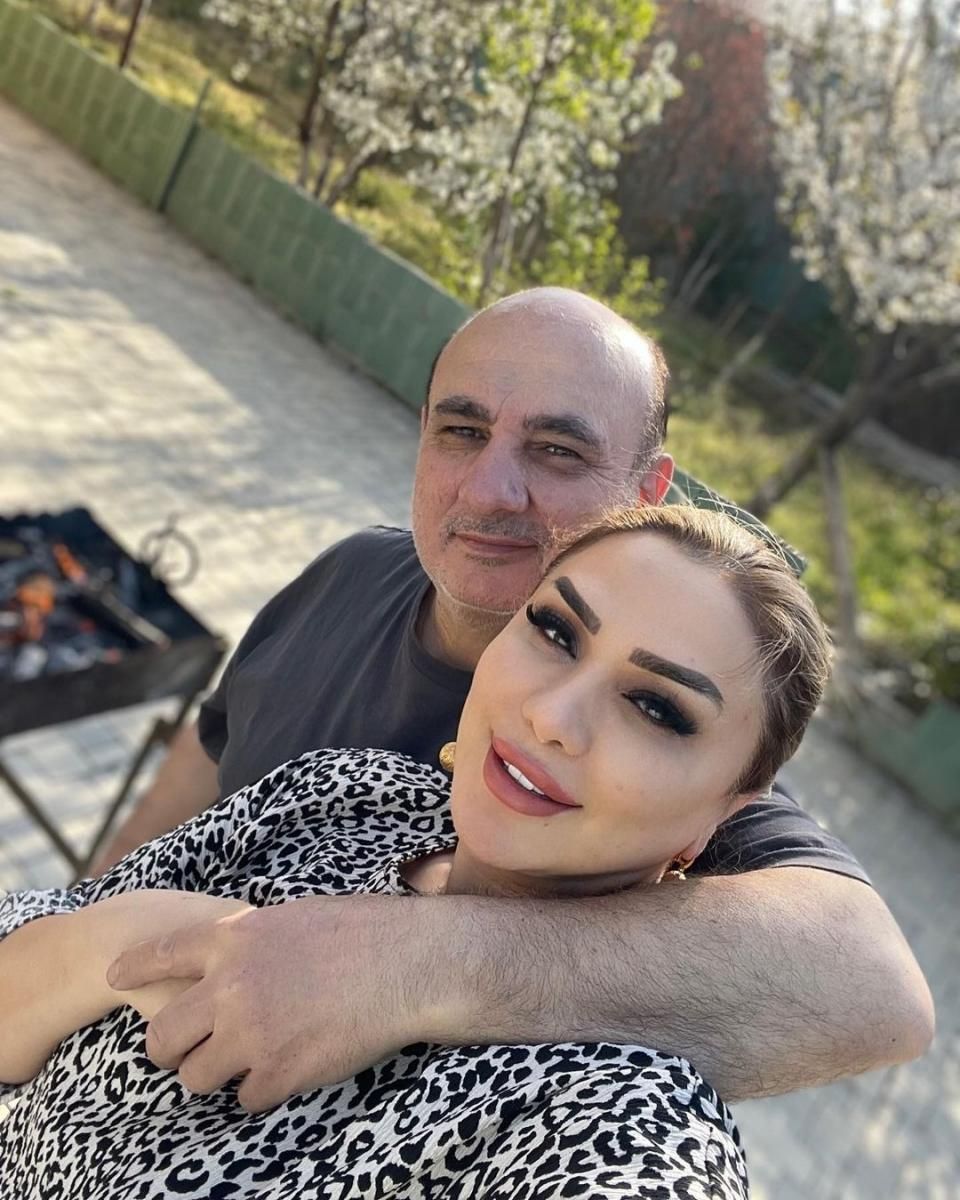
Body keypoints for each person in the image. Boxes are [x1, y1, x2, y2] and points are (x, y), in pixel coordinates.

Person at [94, 288, 932, 1114]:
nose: (489, 488)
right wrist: (90, 916)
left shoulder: (654, 771)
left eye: (558, 450)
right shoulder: (349, 571)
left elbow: (877, 991)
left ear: (647, 497)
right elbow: (212, 747)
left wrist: (414, 960)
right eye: (460, 430)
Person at [1, 504, 835, 1199]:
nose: (552, 715)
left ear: (723, 815)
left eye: (655, 708)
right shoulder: (344, 794)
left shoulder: (617, 1114)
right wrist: (126, 936)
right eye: (554, 630)